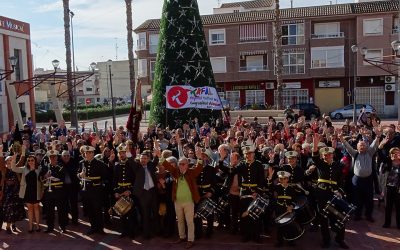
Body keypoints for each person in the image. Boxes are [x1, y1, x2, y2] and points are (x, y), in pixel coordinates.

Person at [158, 148, 204, 250]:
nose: (181, 166)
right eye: (180, 164)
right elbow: (167, 165)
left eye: (183, 164)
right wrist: (159, 156)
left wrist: (200, 157)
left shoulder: (192, 172)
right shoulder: (175, 172)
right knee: (180, 221)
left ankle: (190, 240)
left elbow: (199, 167)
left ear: (187, 165)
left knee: (189, 222)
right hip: (177, 202)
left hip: (189, 202)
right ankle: (182, 237)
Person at [310, 134, 348, 249]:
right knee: (323, 219)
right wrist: (315, 145)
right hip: (322, 194)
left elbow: (342, 181)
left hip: (335, 195)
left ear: (333, 155)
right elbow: (315, 156)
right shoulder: (320, 164)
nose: (327, 156)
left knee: (340, 217)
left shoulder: (338, 165)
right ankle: (326, 240)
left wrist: (340, 191)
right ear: (322, 156)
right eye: (325, 155)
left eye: (329, 154)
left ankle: (340, 239)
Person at [340, 127, 382, 222]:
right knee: (356, 199)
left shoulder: (370, 153)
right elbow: (347, 147)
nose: (362, 147)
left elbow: (374, 144)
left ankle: (368, 215)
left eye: (363, 145)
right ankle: (357, 215)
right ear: (357, 147)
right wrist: (342, 139)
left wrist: (378, 136)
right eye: (360, 146)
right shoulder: (355, 154)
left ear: (366, 147)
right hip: (357, 180)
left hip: (368, 180)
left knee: (369, 199)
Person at [236, 144, 265, 243]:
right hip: (244, 192)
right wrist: (231, 164)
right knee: (245, 214)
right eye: (246, 154)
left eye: (250, 153)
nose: (248, 155)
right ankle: (246, 235)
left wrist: (257, 191)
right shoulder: (241, 164)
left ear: (253, 154)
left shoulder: (258, 164)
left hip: (255, 192)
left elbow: (262, 180)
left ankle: (256, 235)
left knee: (256, 214)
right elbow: (232, 172)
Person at [77, 145, 108, 235]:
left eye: (90, 153)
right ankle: (93, 227)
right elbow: (77, 174)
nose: (88, 154)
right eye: (86, 153)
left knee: (97, 210)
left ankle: (100, 228)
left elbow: (105, 177)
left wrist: (99, 183)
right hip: (86, 190)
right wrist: (80, 175)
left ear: (93, 153)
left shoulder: (100, 164)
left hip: (96, 190)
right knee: (90, 210)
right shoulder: (82, 163)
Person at [11, 153, 42, 232]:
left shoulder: (39, 168)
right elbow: (14, 168)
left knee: (36, 208)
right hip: (27, 192)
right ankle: (30, 227)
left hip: (36, 192)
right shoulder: (24, 168)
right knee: (30, 209)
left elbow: (42, 180)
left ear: (35, 161)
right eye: (29, 160)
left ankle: (38, 226)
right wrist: (14, 158)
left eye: (32, 160)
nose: (31, 162)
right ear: (27, 162)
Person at [132, 150, 158, 239]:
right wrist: (128, 151)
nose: (143, 160)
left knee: (155, 213)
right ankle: (146, 234)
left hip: (152, 192)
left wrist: (156, 151)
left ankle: (155, 231)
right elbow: (130, 160)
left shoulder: (151, 165)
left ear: (148, 160)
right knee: (145, 214)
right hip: (142, 194)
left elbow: (156, 160)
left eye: (145, 158)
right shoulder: (137, 167)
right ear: (139, 159)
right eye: (142, 158)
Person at [40, 150, 68, 233]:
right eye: (50, 157)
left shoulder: (61, 167)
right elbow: (40, 178)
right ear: (48, 158)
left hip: (59, 190)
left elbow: (64, 177)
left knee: (61, 210)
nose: (52, 159)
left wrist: (54, 177)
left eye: (54, 157)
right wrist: (45, 176)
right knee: (49, 211)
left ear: (57, 157)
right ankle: (50, 227)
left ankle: (62, 227)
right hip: (49, 191)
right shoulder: (45, 167)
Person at [267, 170, 297, 247]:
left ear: (287, 179)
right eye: (280, 179)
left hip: (288, 210)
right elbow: (270, 188)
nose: (282, 180)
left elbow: (295, 200)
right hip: (279, 209)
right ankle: (279, 241)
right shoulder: (277, 187)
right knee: (280, 226)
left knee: (289, 225)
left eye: (284, 179)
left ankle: (290, 240)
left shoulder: (292, 189)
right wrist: (270, 178)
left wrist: (291, 206)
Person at [111, 145, 135, 238]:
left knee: (131, 213)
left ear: (126, 154)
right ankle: (124, 231)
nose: (122, 155)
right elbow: (114, 181)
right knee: (122, 213)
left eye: (123, 153)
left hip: (129, 191)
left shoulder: (131, 164)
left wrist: (130, 190)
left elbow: (135, 179)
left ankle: (132, 232)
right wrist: (115, 191)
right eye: (120, 153)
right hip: (120, 191)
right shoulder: (117, 166)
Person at [0, 149, 25, 234]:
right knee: (8, 209)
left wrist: (23, 151)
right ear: (6, 162)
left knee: (15, 209)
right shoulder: (4, 169)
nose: (11, 161)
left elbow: (21, 161)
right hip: (7, 192)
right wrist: (0, 152)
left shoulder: (15, 167)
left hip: (16, 191)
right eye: (9, 160)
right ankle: (8, 227)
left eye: (12, 159)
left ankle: (13, 224)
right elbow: (1, 161)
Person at [381, 147, 400, 229]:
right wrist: (389, 161)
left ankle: (399, 224)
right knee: (388, 206)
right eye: (393, 153)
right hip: (388, 187)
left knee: (398, 207)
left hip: (398, 188)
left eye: (397, 153)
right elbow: (383, 171)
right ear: (390, 154)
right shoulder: (388, 163)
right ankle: (387, 223)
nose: (395, 155)